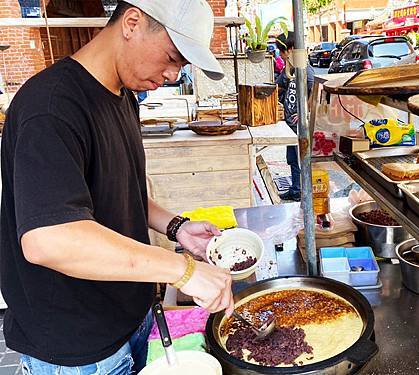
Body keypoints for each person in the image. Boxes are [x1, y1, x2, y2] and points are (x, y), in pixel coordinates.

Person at [0, 1, 234, 373]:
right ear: (132, 22)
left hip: (128, 319)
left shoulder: (123, 95)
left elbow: (121, 189)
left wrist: (176, 227)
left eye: (183, 66)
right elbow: (48, 239)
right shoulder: (51, 107)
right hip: (77, 348)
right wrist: (182, 270)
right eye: (172, 56)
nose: (173, 75)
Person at [275, 32, 315, 202]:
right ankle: (295, 188)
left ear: (290, 49)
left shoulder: (306, 70)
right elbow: (280, 85)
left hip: (299, 124)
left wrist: (305, 112)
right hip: (289, 123)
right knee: (291, 159)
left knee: (300, 159)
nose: (280, 55)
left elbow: (316, 92)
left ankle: (300, 191)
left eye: (282, 52)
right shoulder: (290, 68)